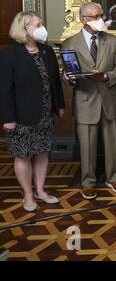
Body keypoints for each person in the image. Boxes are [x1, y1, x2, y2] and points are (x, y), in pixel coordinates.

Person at [61, 2, 116, 200]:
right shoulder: (69, 43)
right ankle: (88, 182)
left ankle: (113, 178)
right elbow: (65, 74)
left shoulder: (112, 40)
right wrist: (68, 78)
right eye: (96, 16)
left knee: (112, 144)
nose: (101, 19)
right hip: (85, 100)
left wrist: (106, 76)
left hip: (109, 99)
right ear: (84, 19)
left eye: (102, 15)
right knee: (87, 146)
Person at [0, 11, 65, 211]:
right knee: (24, 155)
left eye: (41, 24)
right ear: (24, 28)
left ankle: (41, 190)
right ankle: (28, 195)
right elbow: (5, 89)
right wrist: (8, 118)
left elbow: (55, 82)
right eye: (37, 25)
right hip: (21, 115)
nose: (41, 28)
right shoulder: (10, 54)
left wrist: (60, 105)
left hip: (46, 113)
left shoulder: (46, 51)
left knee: (43, 152)